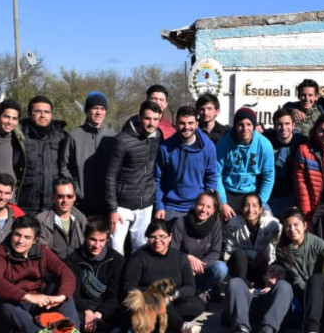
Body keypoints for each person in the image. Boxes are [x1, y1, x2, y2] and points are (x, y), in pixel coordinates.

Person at [0, 216, 88, 333]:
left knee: (60, 289)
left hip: (35, 306)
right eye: (17, 235)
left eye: (27, 237)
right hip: (8, 318)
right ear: (12, 233)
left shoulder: (42, 251)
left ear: (35, 240)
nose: (20, 241)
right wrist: (26, 296)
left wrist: (61, 296)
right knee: (2, 298)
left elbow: (65, 272)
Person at [121, 219, 206, 333]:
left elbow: (190, 287)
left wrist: (175, 294)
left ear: (170, 237)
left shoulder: (180, 258)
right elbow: (128, 287)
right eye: (152, 237)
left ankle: (150, 325)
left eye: (162, 237)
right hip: (145, 304)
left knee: (197, 304)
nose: (157, 241)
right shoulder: (138, 257)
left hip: (172, 302)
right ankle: (182, 326)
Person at [103, 100, 163, 255]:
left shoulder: (158, 136)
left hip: (145, 204)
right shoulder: (121, 140)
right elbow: (109, 176)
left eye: (156, 119)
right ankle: (115, 280)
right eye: (148, 118)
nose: (151, 123)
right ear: (139, 117)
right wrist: (112, 209)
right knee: (116, 249)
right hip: (122, 206)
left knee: (141, 249)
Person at [65, 216, 126, 333]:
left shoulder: (117, 260)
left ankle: (99, 329)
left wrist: (98, 314)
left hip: (104, 308)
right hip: (82, 308)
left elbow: (114, 295)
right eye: (93, 240)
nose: (97, 245)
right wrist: (87, 312)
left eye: (101, 241)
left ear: (107, 239)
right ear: (85, 237)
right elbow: (73, 293)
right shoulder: (73, 259)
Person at [155, 105, 218, 220]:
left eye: (190, 123)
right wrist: (159, 205)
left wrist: (207, 205)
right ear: (176, 123)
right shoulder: (165, 147)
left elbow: (211, 177)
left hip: (197, 207)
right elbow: (158, 180)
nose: (186, 127)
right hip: (171, 207)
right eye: (182, 123)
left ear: (197, 124)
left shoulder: (208, 147)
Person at [215, 107, 275, 221]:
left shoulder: (264, 144)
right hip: (228, 191)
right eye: (240, 124)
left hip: (251, 192)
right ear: (235, 126)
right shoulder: (224, 143)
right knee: (218, 221)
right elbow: (216, 174)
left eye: (248, 124)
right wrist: (222, 203)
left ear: (254, 126)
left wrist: (260, 203)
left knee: (268, 222)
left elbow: (269, 176)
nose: (245, 128)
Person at [18, 95, 73, 217]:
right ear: (29, 113)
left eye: (47, 112)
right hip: (25, 205)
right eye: (37, 111)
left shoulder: (62, 137)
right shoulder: (19, 136)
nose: (43, 115)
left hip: (53, 206)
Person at [170, 191, 227, 303]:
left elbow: (215, 252)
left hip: (202, 270)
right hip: (182, 269)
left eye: (208, 207)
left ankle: (198, 291)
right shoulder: (181, 223)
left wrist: (198, 266)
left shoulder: (216, 224)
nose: (203, 209)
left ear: (213, 210)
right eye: (201, 205)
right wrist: (188, 259)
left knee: (221, 268)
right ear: (195, 205)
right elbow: (172, 250)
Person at [66, 91, 116, 216]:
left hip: (107, 202)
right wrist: (75, 189)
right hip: (81, 203)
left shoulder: (113, 136)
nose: (98, 112)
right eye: (94, 108)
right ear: (87, 111)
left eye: (102, 108)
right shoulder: (74, 136)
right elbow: (64, 166)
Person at [226, 263, 294, 333]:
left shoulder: (286, 289)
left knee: (284, 286)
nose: (276, 274)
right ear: (264, 276)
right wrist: (248, 293)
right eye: (272, 271)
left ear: (285, 277)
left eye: (280, 273)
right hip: (248, 317)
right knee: (235, 281)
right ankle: (242, 331)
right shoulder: (251, 290)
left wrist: (273, 291)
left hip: (273, 320)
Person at [224, 192, 281, 285]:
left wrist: (268, 264)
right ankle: (240, 287)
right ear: (242, 209)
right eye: (246, 206)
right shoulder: (234, 223)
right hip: (241, 266)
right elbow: (230, 248)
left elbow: (274, 248)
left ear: (260, 209)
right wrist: (253, 254)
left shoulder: (272, 225)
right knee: (239, 254)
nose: (250, 210)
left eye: (254, 206)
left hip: (264, 266)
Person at [276, 207, 324, 303]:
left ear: (304, 225)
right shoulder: (281, 248)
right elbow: (293, 276)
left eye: (296, 225)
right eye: (288, 226)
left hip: (319, 291)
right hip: (297, 291)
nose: (292, 229)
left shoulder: (318, 244)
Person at [263, 107, 307, 217]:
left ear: (293, 125)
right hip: (270, 195)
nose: (284, 128)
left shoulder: (302, 141)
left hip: (293, 195)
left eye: (287, 124)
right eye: (279, 124)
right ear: (274, 126)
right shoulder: (266, 139)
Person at [35, 176, 87, 261]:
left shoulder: (81, 219)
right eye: (60, 196)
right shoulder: (42, 221)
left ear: (74, 197)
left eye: (69, 196)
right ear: (53, 197)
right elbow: (42, 253)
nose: (65, 200)